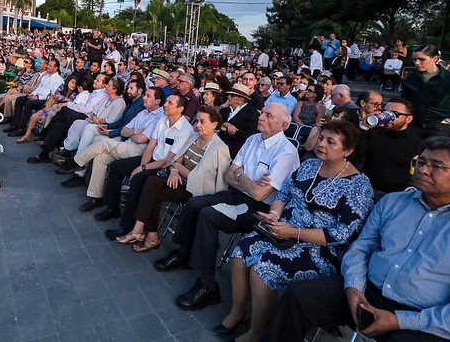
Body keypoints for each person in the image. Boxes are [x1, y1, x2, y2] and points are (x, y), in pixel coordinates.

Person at [262, 137, 450, 342]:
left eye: (437, 166)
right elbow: (362, 248)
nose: (423, 170)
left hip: (423, 315)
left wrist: (401, 320)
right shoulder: (393, 202)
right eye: (421, 162)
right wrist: (354, 288)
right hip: (367, 291)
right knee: (299, 297)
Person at [217, 121, 374, 340]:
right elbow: (282, 196)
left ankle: (258, 331)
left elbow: (341, 235)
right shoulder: (310, 165)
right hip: (282, 230)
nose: (322, 144)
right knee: (241, 252)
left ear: (348, 151)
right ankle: (237, 312)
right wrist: (273, 215)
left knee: (263, 270)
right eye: (321, 138)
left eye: (331, 142)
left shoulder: (358, 186)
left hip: (319, 249)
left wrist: (293, 233)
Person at [155, 104, 300, 311]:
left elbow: (259, 194)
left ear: (283, 125)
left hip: (258, 209)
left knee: (208, 215)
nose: (262, 117)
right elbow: (229, 176)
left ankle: (208, 286)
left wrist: (240, 176)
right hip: (236, 194)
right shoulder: (252, 140)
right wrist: (245, 179)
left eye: (269, 116)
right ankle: (184, 252)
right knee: (195, 202)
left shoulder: (286, 152)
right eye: (263, 112)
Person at [113, 106, 231, 252]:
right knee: (152, 183)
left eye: (202, 122)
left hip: (197, 190)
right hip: (179, 181)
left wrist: (175, 166)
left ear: (214, 124)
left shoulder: (219, 148)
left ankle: (145, 233)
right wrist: (174, 170)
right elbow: (175, 160)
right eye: (197, 121)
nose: (198, 125)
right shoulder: (194, 138)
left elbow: (195, 176)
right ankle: (145, 233)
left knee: (153, 187)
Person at [94, 94, 194, 226]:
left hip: (165, 167)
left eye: (170, 103)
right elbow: (151, 146)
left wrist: (142, 169)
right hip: (151, 160)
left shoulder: (185, 130)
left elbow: (169, 159)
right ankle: (112, 207)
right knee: (117, 166)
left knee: (138, 179)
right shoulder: (163, 120)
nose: (165, 104)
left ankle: (128, 225)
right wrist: (142, 166)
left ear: (180, 109)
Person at [401, 44, 450, 140]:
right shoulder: (412, 78)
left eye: (422, 59)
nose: (417, 63)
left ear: (435, 58)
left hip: (441, 125)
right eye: (414, 59)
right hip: (414, 124)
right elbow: (405, 101)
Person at [360, 97, 423, 199]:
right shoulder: (372, 134)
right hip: (365, 191)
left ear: (409, 119)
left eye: (395, 114)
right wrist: (364, 126)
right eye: (385, 112)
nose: (388, 116)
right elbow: (354, 154)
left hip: (395, 197)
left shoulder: (417, 143)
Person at [218, 83, 259, 157]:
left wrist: (231, 131)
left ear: (242, 98)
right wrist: (225, 124)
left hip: (234, 153)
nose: (229, 97)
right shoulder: (224, 110)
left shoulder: (252, 114)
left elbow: (249, 136)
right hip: (216, 147)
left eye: (232, 95)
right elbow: (215, 123)